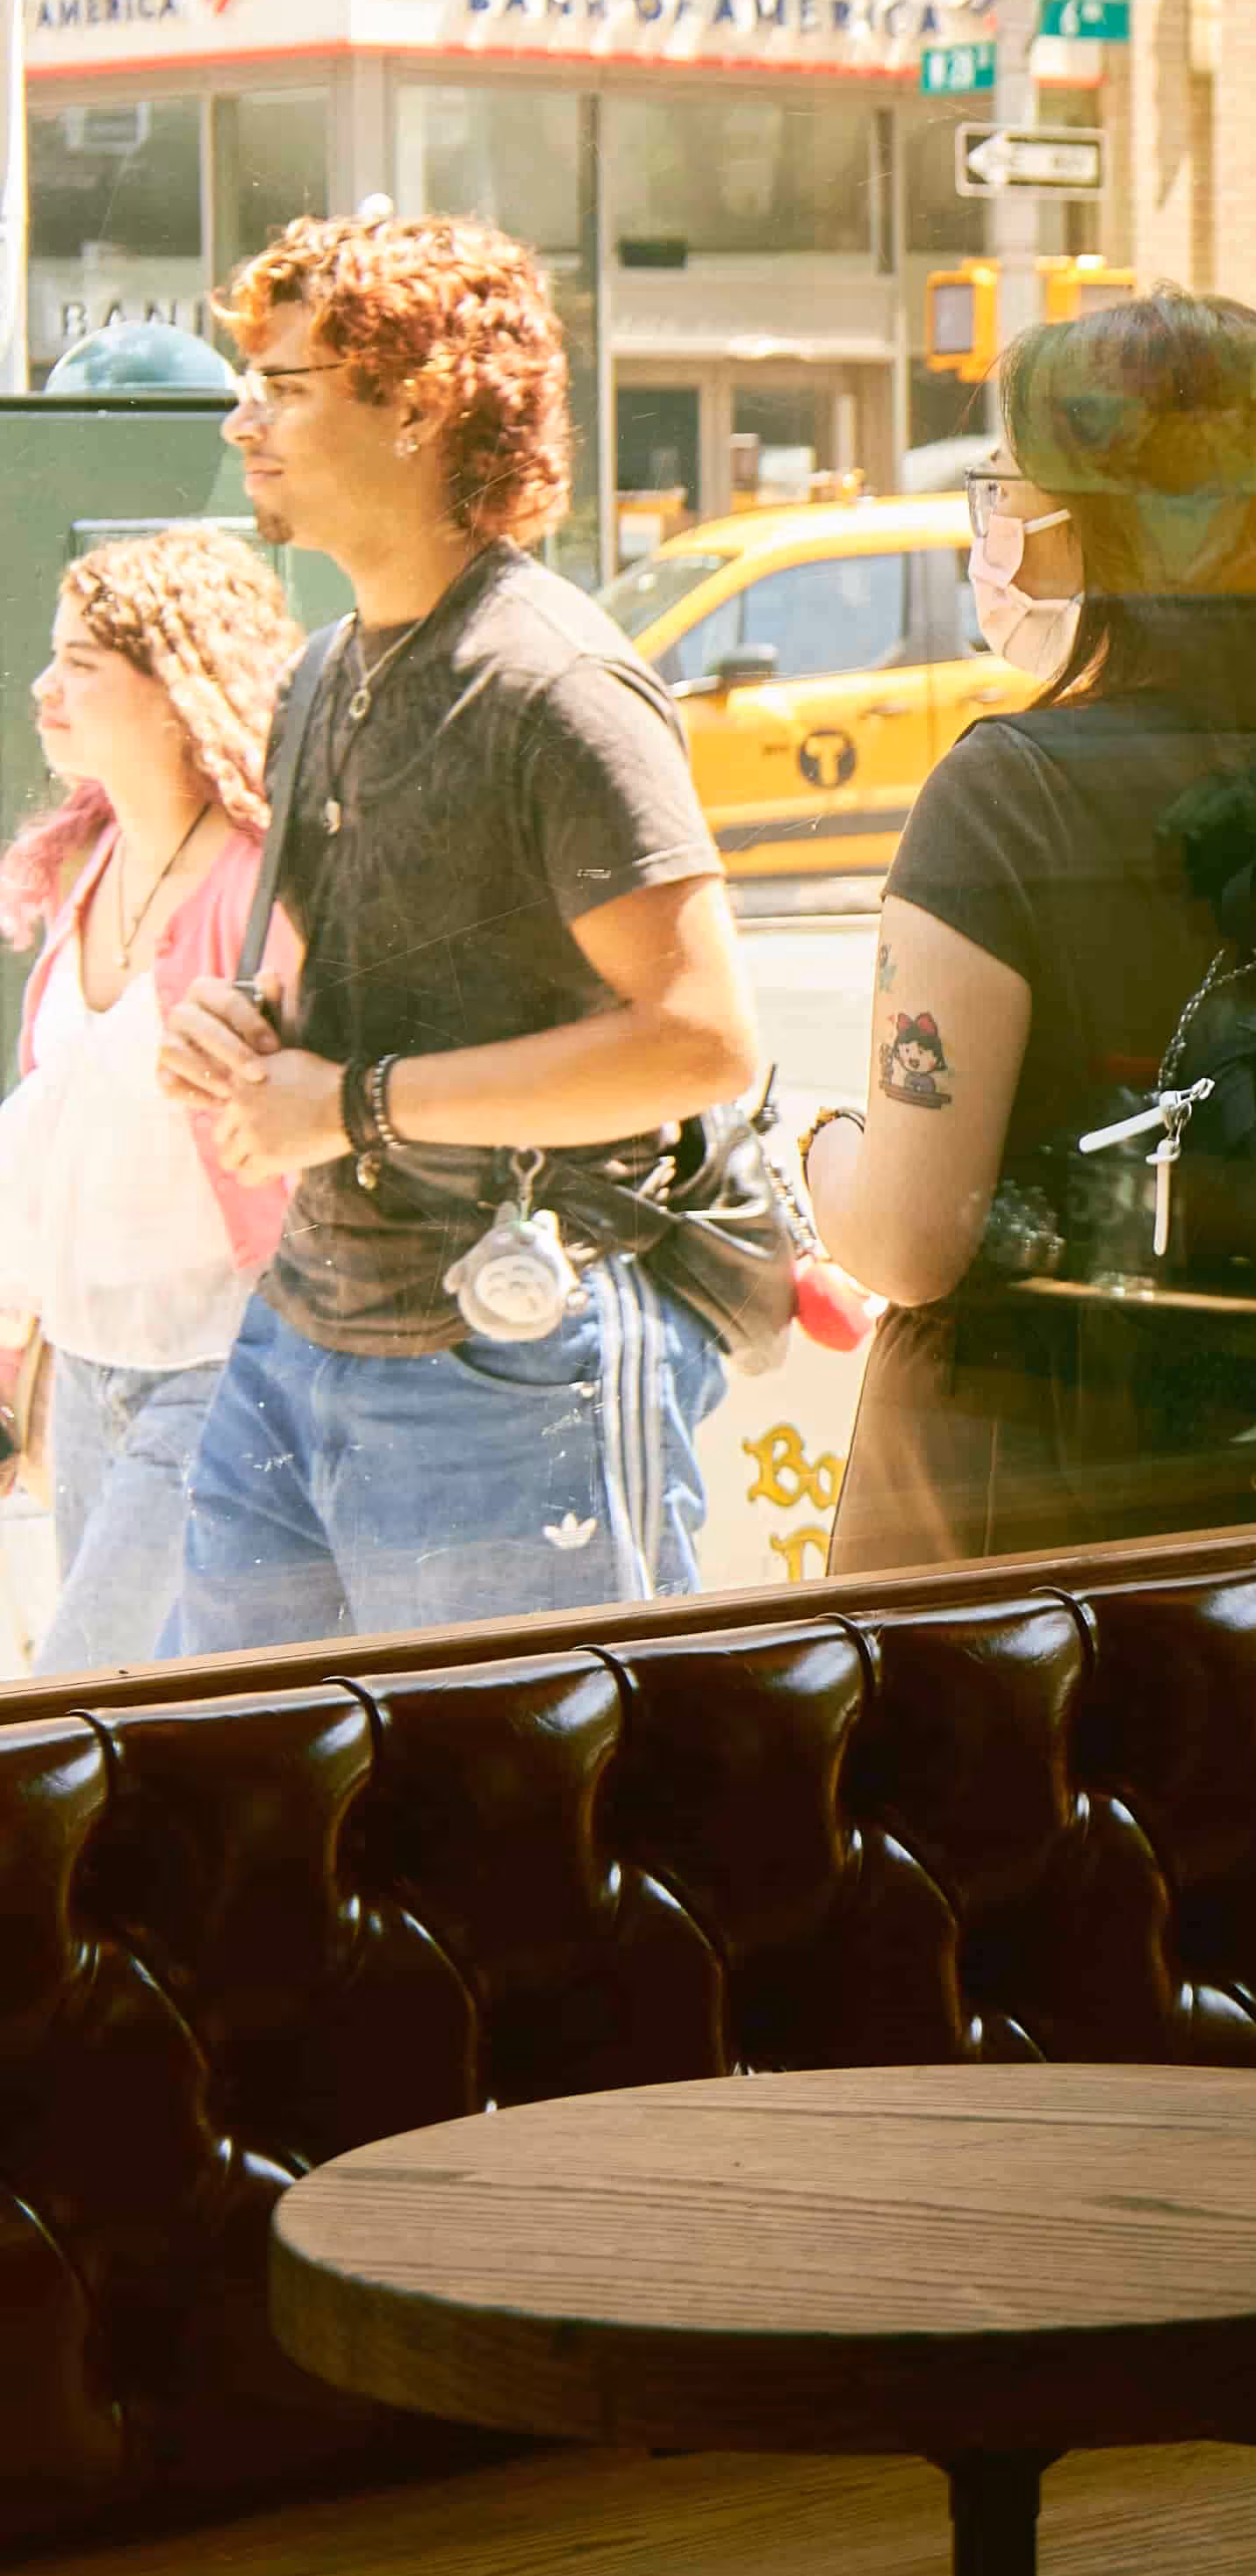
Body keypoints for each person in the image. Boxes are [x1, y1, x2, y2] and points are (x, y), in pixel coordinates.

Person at [807, 288, 1256, 1557]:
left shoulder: (1006, 792)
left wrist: (819, 1151)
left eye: (1005, 489)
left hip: (1023, 1531)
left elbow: (913, 1242)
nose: (994, 527)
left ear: (1093, 531)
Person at [151, 214, 764, 1650]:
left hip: (512, 1365)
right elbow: (358, 992)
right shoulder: (322, 671)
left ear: (417, 405)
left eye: (288, 387)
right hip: (304, 1336)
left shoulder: (553, 683)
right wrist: (243, 1040)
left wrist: (349, 1105)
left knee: (521, 1835)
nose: (247, 420)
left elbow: (703, 1041)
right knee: (236, 1803)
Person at [0, 531, 299, 1674]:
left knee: (81, 1691)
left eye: (78, 664)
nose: (44, 687)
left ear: (178, 691)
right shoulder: (92, 859)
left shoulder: (253, 881)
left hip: (218, 1368)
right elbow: (53, 1133)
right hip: (81, 1370)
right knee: (131, 1713)